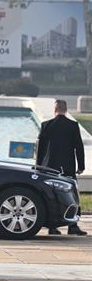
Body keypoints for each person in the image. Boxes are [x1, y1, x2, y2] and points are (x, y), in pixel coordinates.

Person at [36, 99, 86, 235]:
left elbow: (40, 149)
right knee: (73, 195)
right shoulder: (72, 125)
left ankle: (52, 226)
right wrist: (81, 166)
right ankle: (73, 225)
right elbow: (79, 147)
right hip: (68, 167)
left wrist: (38, 166)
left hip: (49, 167)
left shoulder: (46, 125)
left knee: (52, 196)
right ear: (65, 109)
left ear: (55, 109)